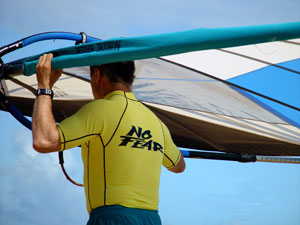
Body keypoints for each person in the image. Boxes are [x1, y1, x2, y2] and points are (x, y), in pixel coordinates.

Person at [32, 53, 185, 225]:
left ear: (97, 75)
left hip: (112, 218)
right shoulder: (157, 123)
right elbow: (179, 165)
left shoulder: (100, 110)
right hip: (151, 219)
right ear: (130, 77)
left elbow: (44, 141)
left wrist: (44, 86)